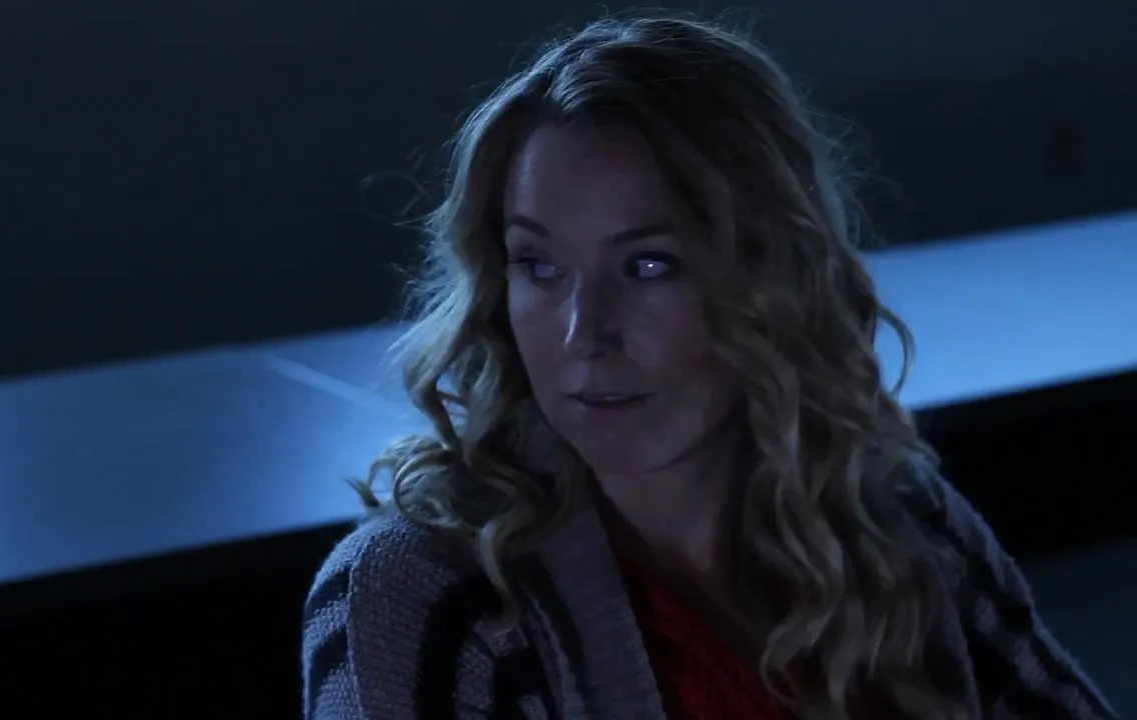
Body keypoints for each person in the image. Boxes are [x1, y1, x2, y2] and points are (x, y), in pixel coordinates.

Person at [301, 12, 1117, 720]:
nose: (585, 333)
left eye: (649, 265)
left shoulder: (889, 522)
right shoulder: (425, 594)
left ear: (769, 275)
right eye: (539, 266)